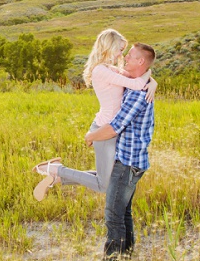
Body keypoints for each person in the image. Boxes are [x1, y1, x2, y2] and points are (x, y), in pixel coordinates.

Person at [32, 28, 155, 201]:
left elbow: (137, 77)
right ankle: (55, 169)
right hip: (105, 130)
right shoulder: (101, 71)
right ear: (108, 47)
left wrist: (152, 79)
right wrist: (150, 79)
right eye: (120, 49)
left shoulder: (110, 69)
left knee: (107, 177)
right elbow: (136, 84)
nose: (122, 55)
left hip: (109, 129)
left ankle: (57, 178)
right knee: (103, 184)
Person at [92, 42, 157, 259]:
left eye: (130, 56)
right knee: (124, 213)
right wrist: (151, 78)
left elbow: (114, 128)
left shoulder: (139, 94)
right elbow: (138, 77)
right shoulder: (136, 83)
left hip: (128, 163)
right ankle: (127, 256)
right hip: (132, 160)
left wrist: (90, 136)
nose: (125, 58)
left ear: (140, 61)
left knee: (113, 216)